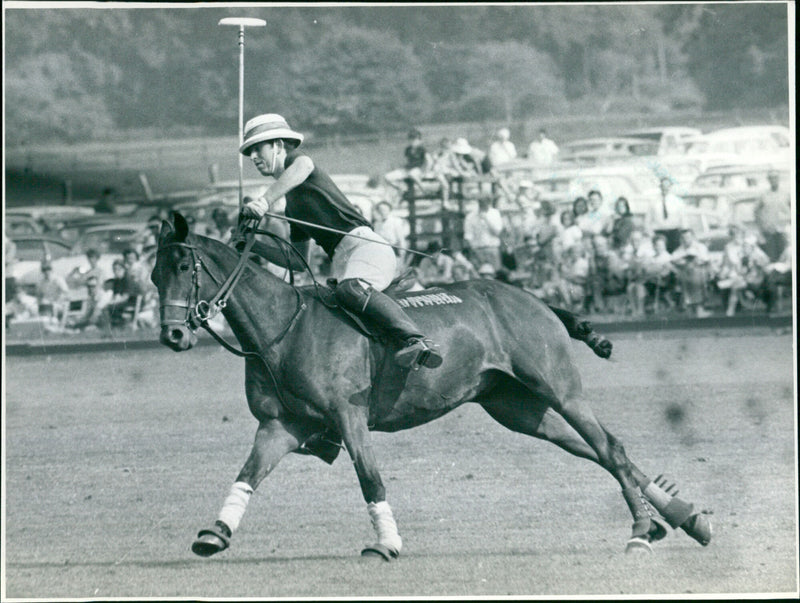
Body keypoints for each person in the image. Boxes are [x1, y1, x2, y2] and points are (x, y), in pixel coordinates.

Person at [239, 113, 442, 369]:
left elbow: (304, 166)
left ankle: (417, 341)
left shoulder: (298, 164)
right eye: (250, 153)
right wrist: (253, 244)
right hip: (344, 261)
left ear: (278, 145)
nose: (254, 157)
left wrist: (264, 200)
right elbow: (297, 262)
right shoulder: (292, 206)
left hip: (367, 248)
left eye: (258, 149)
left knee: (351, 289)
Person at [670, 229, 712, 317]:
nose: (686, 239)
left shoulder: (700, 247)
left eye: (688, 237)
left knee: (694, 275)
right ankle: (690, 308)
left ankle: (698, 309)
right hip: (684, 273)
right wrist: (683, 261)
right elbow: (673, 259)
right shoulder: (679, 249)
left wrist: (696, 261)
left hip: (700, 271)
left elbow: (705, 260)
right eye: (683, 237)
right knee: (684, 275)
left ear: (693, 237)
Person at [754, 170, 791, 262]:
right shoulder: (764, 195)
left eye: (775, 177)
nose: (773, 180)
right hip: (769, 232)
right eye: (771, 178)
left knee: (786, 257)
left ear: (779, 179)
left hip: (784, 232)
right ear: (768, 180)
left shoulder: (786, 194)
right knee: (772, 258)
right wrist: (762, 227)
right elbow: (756, 211)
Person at [463, 196, 504, 271]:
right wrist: (473, 250)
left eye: (486, 202)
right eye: (481, 202)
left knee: (495, 274)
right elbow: (468, 235)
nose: (483, 204)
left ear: (489, 203)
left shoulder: (495, 213)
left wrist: (486, 219)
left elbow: (497, 232)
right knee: (478, 275)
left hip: (492, 249)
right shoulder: (470, 216)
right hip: (477, 250)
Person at [384, 128, 430, 196]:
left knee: (412, 174)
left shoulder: (422, 149)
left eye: (415, 139)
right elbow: (406, 161)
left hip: (418, 169)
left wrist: (425, 171)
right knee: (387, 177)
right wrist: (400, 167)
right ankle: (401, 188)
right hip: (407, 169)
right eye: (411, 139)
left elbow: (429, 161)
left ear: (420, 140)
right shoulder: (408, 149)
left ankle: (424, 190)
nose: (413, 141)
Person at [648, 177, 688, 253]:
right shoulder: (653, 202)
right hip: (659, 233)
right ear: (660, 187)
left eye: (667, 186)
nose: (665, 188)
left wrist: (683, 234)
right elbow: (648, 221)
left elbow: (683, 219)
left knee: (674, 254)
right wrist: (651, 235)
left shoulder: (677, 201)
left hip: (674, 233)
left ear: (670, 187)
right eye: (663, 186)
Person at [371, 201, 409, 269]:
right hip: (381, 251)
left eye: (384, 210)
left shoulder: (396, 221)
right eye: (380, 210)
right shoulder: (377, 223)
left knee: (395, 269)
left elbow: (400, 238)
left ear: (389, 210)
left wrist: (402, 252)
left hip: (393, 249)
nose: (382, 212)